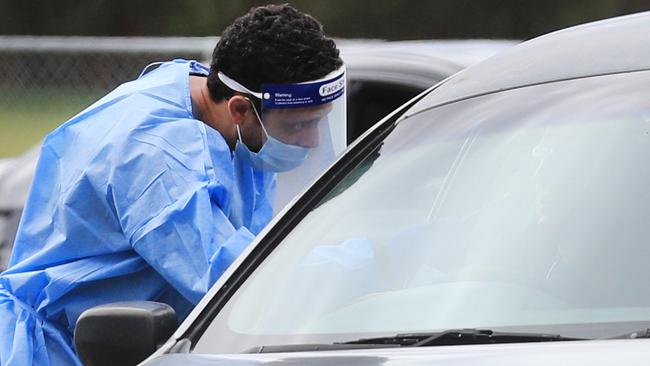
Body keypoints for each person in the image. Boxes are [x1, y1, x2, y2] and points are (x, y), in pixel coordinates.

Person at [0, 4, 345, 366]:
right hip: (59, 351)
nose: (312, 141)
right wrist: (360, 263)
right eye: (296, 126)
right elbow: (229, 280)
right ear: (240, 109)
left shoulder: (206, 95)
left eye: (317, 123)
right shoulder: (156, 157)